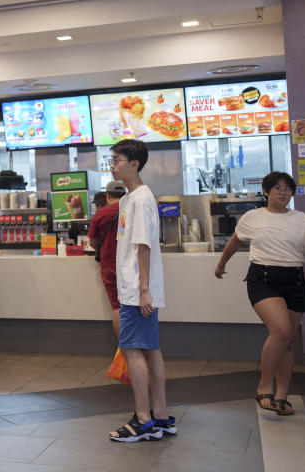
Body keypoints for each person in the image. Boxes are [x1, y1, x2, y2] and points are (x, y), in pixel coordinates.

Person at [214, 171, 305, 416]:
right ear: (266, 192)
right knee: (280, 331)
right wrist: (221, 264)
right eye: (277, 188)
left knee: (289, 341)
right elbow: (234, 243)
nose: (283, 192)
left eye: (287, 188)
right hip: (263, 279)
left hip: (295, 281)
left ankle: (281, 396)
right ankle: (264, 387)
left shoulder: (301, 218)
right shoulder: (253, 217)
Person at [106, 140, 171, 442]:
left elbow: (144, 246)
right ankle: (160, 415)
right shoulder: (128, 199)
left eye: (117, 159)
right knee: (150, 349)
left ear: (135, 163)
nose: (112, 164)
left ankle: (144, 420)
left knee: (134, 350)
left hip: (137, 290)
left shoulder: (142, 198)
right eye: (112, 159)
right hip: (135, 287)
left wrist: (144, 290)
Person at [88, 180, 126, 337]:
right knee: (134, 306)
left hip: (109, 265)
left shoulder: (99, 215)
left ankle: (124, 350)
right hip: (130, 265)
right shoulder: (132, 210)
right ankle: (139, 349)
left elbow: (92, 242)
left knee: (117, 307)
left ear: (107, 196)